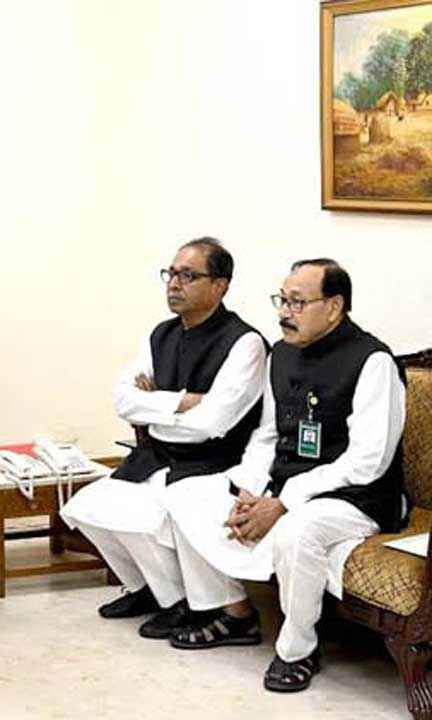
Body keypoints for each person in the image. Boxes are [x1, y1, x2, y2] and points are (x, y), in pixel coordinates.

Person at [163, 258, 407, 693]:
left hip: (355, 498)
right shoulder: (282, 353)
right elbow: (268, 435)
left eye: (297, 303)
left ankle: (296, 650)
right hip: (284, 485)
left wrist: (284, 501)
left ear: (334, 306)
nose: (284, 313)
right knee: (186, 494)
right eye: (282, 300)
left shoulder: (373, 361)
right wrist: (249, 489)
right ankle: (231, 611)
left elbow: (369, 460)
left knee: (298, 530)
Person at [61, 238, 267, 640]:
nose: (174, 284)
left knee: (146, 516)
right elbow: (123, 399)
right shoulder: (161, 334)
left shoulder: (245, 343)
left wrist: (154, 404)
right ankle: (153, 592)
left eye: (188, 276)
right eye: (171, 274)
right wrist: (183, 402)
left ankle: (187, 604)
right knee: (86, 508)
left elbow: (213, 423)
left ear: (220, 285)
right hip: (159, 456)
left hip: (213, 462)